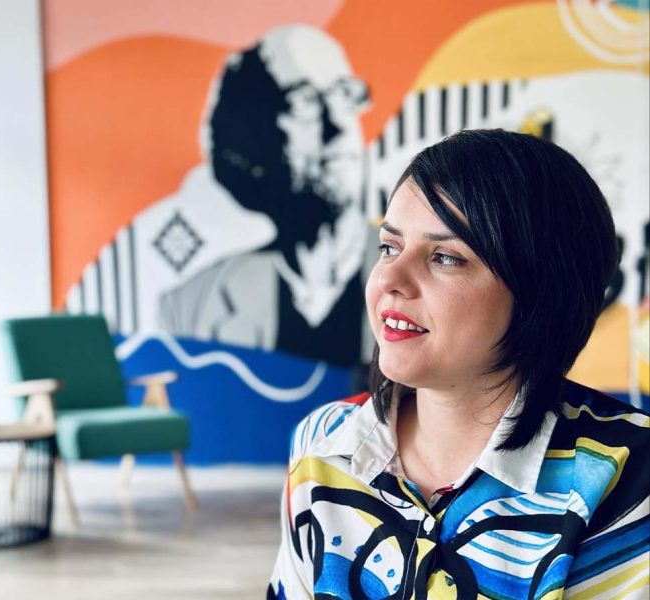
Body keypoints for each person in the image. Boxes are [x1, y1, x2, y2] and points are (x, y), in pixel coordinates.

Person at [267, 129, 650, 598]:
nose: (390, 278)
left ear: (541, 293)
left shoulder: (626, 475)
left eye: (445, 257)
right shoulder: (322, 444)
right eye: (389, 247)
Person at [158, 25, 370, 366]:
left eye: (344, 94)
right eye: (305, 101)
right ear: (256, 137)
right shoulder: (192, 305)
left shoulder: (432, 279)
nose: (338, 124)